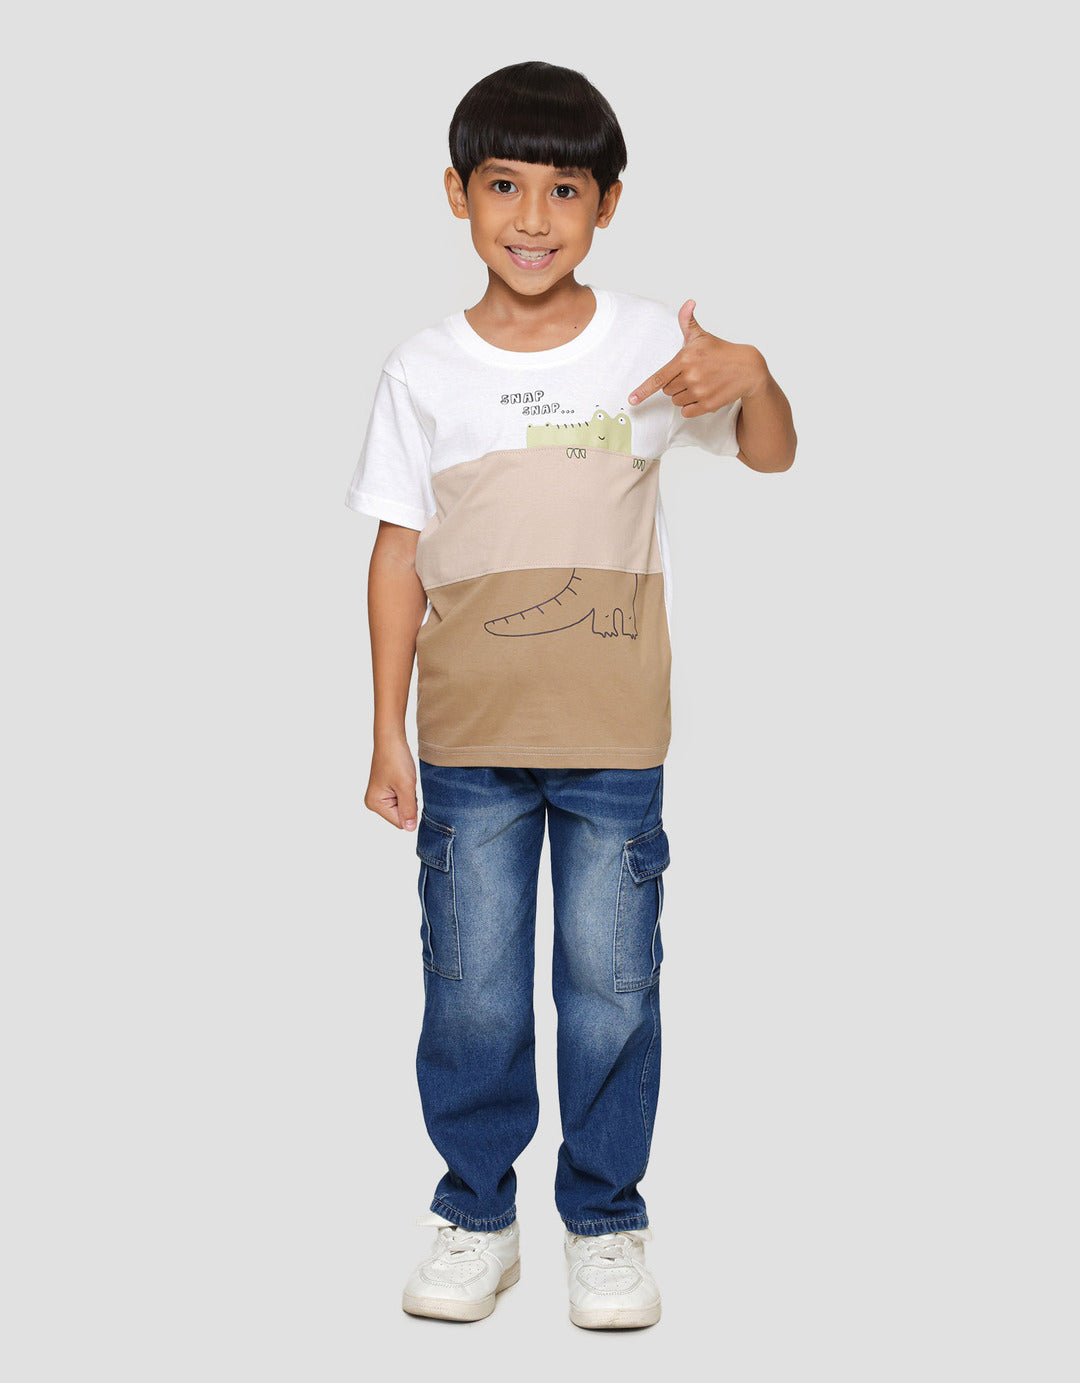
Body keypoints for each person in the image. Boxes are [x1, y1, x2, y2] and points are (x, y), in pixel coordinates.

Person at [344, 60, 797, 1330]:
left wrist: (754, 373)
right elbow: (395, 553)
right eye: (503, 187)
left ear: (607, 203)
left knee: (613, 992)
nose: (532, 218)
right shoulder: (423, 368)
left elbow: (770, 453)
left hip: (614, 743)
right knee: (471, 991)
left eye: (563, 190)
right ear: (456, 195)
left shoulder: (652, 346)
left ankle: (605, 1221)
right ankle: (475, 1217)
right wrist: (384, 730)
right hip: (468, 743)